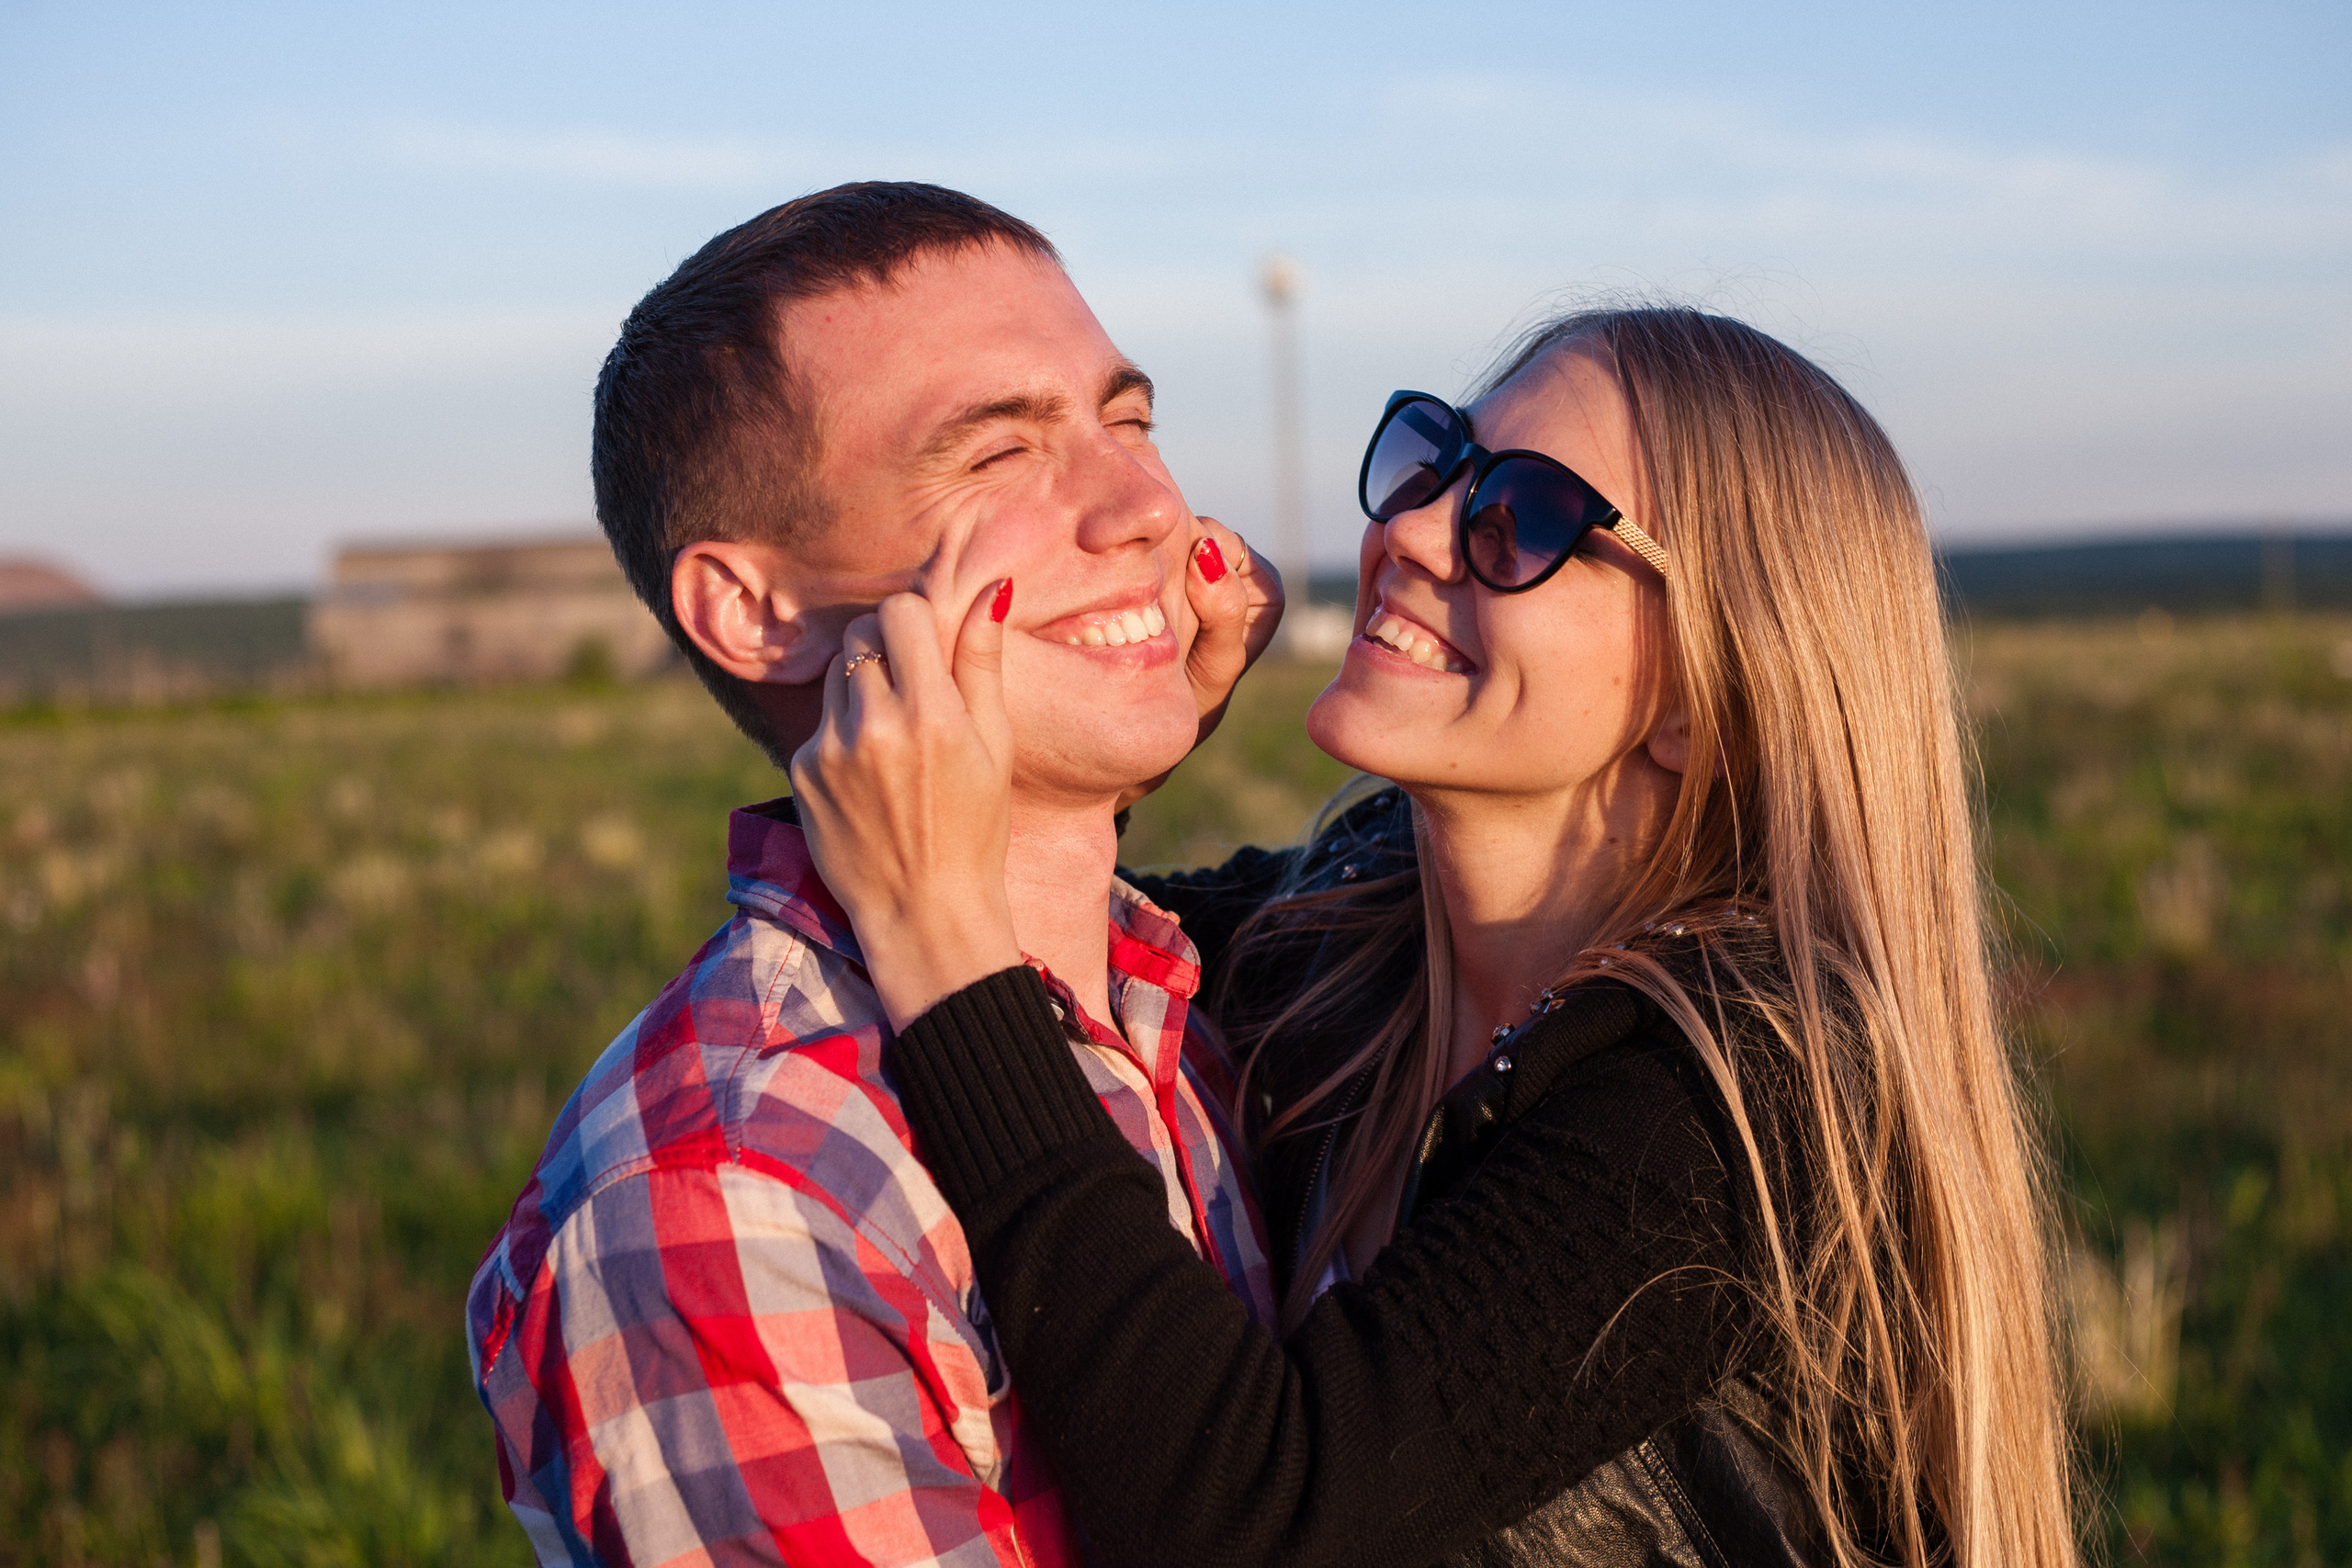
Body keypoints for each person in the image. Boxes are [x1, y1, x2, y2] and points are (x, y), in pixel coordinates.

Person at [789, 306, 2079, 1568]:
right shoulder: (1350, 931)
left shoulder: (1742, 1099)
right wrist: (1103, 758)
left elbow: (1253, 1517)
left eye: (1520, 518)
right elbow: (1067, 930)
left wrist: (946, 955)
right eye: (1435, 459)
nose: (1406, 530)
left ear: (1708, 702)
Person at [467, 182, 1286, 1567]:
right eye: (998, 456)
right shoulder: (732, 1191)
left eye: (1130, 421)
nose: (1146, 507)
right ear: (756, 610)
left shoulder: (1181, 997)